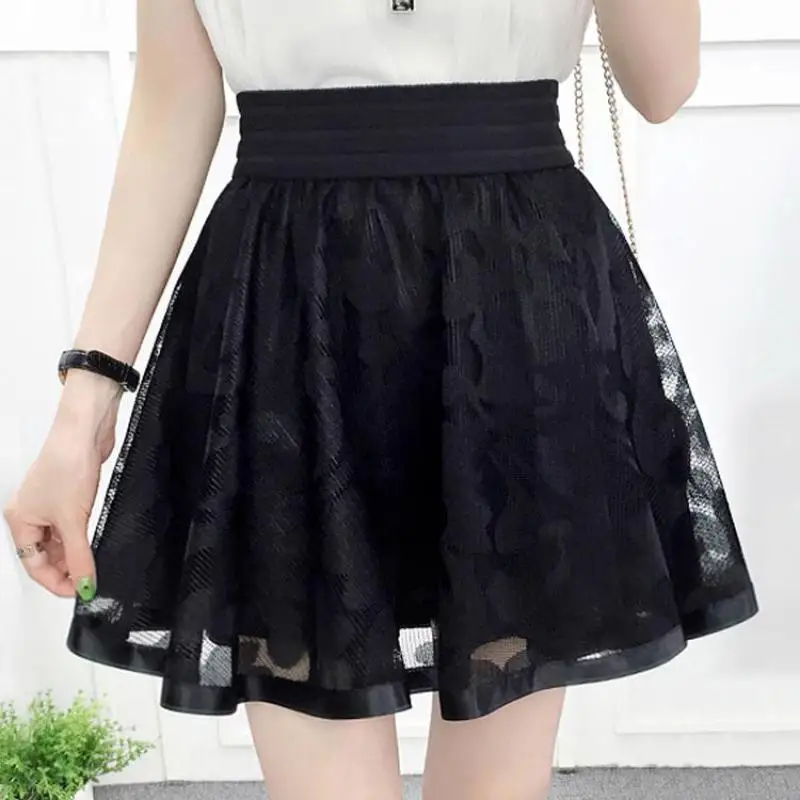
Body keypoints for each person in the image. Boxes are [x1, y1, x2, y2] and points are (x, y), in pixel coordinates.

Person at [4, 1, 757, 798]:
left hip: (507, 301)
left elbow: (663, 83)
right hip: (287, 310)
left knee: (495, 779)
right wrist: (81, 414)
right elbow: (170, 111)